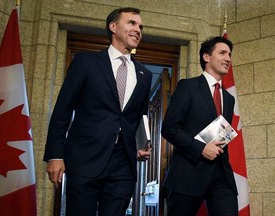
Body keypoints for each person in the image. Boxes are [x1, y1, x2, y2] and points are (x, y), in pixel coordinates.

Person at [43, 7, 152, 216]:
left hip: (123, 165)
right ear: (113, 26)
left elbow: (138, 117)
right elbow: (62, 111)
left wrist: (139, 146)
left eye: (140, 26)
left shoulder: (144, 74)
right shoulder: (86, 62)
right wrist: (55, 155)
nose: (138, 29)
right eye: (131, 23)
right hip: (85, 159)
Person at [161, 36, 238, 216]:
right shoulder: (188, 86)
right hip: (189, 173)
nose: (228, 58)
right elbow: (169, 128)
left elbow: (221, 134)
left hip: (221, 176)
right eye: (222, 53)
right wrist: (201, 148)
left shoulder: (229, 98)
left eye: (229, 54)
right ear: (206, 56)